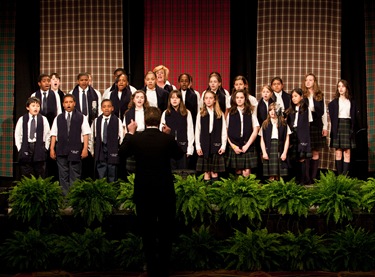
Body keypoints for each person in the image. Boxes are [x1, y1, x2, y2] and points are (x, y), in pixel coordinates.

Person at [119, 106, 184, 277]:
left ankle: (151, 267)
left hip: (144, 192)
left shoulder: (137, 139)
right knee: (165, 231)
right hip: (165, 192)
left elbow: (121, 153)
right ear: (159, 121)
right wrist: (169, 135)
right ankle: (163, 268)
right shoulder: (167, 139)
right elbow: (179, 155)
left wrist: (130, 133)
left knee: (147, 232)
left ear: (144, 121)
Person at [50, 94, 91, 196]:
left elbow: (86, 133)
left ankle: (74, 197)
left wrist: (85, 148)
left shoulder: (81, 117)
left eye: (70, 102)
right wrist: (51, 149)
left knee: (75, 174)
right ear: (63, 104)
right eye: (66, 102)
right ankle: (65, 197)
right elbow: (53, 134)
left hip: (76, 149)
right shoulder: (58, 118)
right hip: (61, 149)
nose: (68, 104)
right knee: (63, 174)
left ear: (74, 103)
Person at [195, 90, 227, 183]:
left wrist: (223, 146)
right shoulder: (201, 113)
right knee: (206, 172)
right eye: (206, 98)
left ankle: (215, 193)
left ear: (214, 100)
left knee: (215, 171)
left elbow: (223, 131)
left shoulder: (219, 113)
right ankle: (206, 194)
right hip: (204, 145)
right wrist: (198, 146)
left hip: (216, 145)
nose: (208, 100)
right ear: (204, 100)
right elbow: (197, 130)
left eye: (210, 98)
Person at [14, 97, 51, 179]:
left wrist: (45, 148)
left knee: (40, 172)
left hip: (39, 147)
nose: (36, 108)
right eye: (33, 105)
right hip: (26, 146)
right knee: (26, 172)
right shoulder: (22, 119)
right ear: (28, 107)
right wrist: (20, 148)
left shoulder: (43, 119)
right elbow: (17, 134)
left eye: (38, 106)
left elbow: (48, 134)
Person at [226, 90, 259, 177]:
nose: (239, 100)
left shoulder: (250, 112)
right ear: (234, 99)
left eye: (241, 97)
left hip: (247, 144)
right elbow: (225, 131)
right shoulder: (230, 113)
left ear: (245, 99)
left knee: (246, 172)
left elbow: (256, 129)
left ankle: (247, 190)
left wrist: (247, 145)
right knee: (238, 171)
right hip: (235, 145)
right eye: (237, 98)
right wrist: (233, 146)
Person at [301, 73, 328, 181]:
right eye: (306, 80)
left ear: (314, 82)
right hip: (306, 126)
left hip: (316, 125)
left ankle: (313, 178)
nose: (308, 82)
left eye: (310, 80)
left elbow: (324, 113)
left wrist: (325, 127)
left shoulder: (319, 95)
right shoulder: (302, 94)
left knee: (315, 152)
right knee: (307, 151)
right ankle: (306, 178)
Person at [328, 79, 358, 175]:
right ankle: (339, 175)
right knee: (338, 152)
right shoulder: (333, 103)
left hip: (348, 125)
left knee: (347, 152)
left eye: (343, 86)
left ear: (346, 88)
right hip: (338, 126)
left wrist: (352, 129)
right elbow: (332, 118)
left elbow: (354, 117)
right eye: (339, 86)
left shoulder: (352, 102)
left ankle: (345, 176)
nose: (340, 88)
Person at [160, 90, 194, 172]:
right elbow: (161, 130)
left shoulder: (186, 113)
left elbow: (190, 131)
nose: (174, 100)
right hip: (169, 148)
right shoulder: (166, 113)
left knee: (182, 173)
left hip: (183, 148)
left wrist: (190, 148)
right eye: (172, 98)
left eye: (177, 98)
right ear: (169, 100)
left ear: (180, 100)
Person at [90, 99, 124, 182]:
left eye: (109, 106)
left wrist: (119, 148)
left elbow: (121, 136)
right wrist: (92, 150)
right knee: (101, 170)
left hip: (112, 148)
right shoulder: (96, 121)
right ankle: (102, 190)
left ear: (112, 108)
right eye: (104, 107)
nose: (106, 108)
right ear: (101, 108)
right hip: (101, 148)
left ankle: (112, 190)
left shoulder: (117, 121)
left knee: (112, 169)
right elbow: (92, 137)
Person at [286, 88, 313, 185]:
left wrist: (304, 138)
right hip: (293, 133)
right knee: (294, 157)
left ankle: (304, 180)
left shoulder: (306, 109)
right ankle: (296, 179)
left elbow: (309, 123)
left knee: (302, 157)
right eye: (292, 96)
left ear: (301, 97)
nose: (294, 98)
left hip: (302, 134)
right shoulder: (290, 110)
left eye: (296, 96)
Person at [259, 102, 291, 181]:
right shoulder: (265, 123)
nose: (272, 112)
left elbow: (287, 139)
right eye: (270, 110)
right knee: (271, 175)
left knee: (279, 174)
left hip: (279, 147)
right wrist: (264, 152)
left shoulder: (283, 123)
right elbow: (262, 140)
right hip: (269, 148)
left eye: (274, 110)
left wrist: (284, 153)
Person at [122, 90, 150, 176]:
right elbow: (124, 128)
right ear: (133, 99)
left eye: (142, 97)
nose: (139, 99)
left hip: (145, 137)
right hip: (133, 137)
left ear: (145, 100)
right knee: (132, 165)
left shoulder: (148, 112)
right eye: (137, 97)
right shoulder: (128, 113)